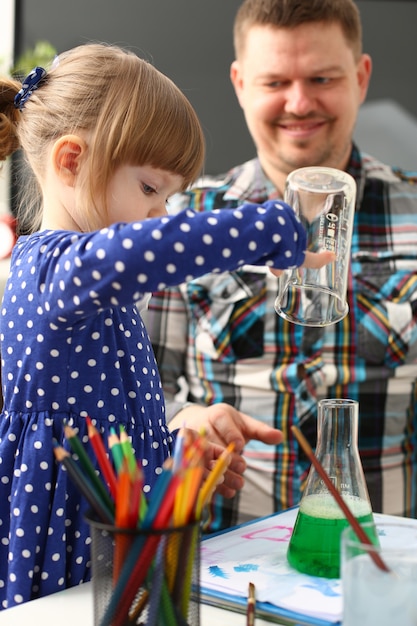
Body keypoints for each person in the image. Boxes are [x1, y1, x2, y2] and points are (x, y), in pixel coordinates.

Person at [0, 42, 333, 609]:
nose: (159, 213)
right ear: (71, 161)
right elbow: (156, 248)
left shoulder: (93, 288)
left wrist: (176, 452)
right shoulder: (57, 269)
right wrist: (278, 228)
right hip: (59, 560)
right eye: (150, 189)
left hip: (118, 549)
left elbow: (108, 434)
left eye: (168, 197)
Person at [144, 0, 417, 532]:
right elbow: (146, 398)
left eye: (321, 77)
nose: (299, 102)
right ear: (241, 83)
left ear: (360, 78)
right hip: (220, 568)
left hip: (381, 567)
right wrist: (183, 424)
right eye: (274, 83)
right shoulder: (181, 221)